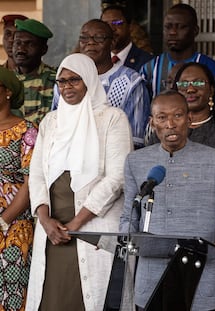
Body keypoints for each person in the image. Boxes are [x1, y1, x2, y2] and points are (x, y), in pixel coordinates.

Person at [120, 90, 215, 310]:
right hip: (150, 279)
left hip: (199, 277)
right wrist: (123, 237)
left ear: (189, 120)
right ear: (152, 123)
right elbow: (129, 215)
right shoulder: (136, 161)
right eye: (162, 118)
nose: (170, 124)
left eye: (178, 116)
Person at [26, 53, 133, 311]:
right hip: (52, 230)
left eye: (74, 80)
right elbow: (37, 174)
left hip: (92, 225)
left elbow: (117, 177)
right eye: (61, 82)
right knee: (51, 299)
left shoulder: (112, 118)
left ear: (89, 80)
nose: (66, 87)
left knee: (92, 299)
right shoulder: (51, 121)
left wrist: (76, 223)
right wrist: (45, 220)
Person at [147, 62, 215, 311]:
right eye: (184, 83)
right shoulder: (157, 130)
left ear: (211, 89)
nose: (191, 88)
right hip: (164, 236)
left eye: (198, 83)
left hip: (209, 237)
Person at [52, 19, 150, 148]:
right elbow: (55, 128)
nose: (90, 42)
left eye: (98, 38)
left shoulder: (131, 82)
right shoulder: (65, 81)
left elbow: (136, 140)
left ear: (112, 42)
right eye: (84, 38)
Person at [140, 3, 215, 125]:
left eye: (180, 27)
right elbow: (143, 119)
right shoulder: (149, 69)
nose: (172, 32)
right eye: (168, 27)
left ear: (195, 31)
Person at [0, 67, 37, 311]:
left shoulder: (27, 131)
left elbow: (32, 181)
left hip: (13, 227)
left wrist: (4, 221)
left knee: (11, 295)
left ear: (8, 93)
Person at [13, 18, 56, 125]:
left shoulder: (56, 79)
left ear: (43, 49)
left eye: (29, 44)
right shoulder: (6, 82)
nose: (21, 49)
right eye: (17, 43)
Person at [100, 5, 153, 71]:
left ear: (130, 26)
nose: (111, 28)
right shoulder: (95, 61)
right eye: (106, 24)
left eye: (117, 23)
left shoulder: (148, 62)